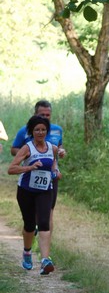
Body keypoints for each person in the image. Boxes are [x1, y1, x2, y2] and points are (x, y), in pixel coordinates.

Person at [8, 115, 58, 275]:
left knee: (44, 222)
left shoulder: (53, 148)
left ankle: (45, 260)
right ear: (32, 131)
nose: (40, 132)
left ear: (47, 131)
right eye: (37, 129)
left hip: (45, 191)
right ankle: (27, 252)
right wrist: (29, 168)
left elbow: (54, 163)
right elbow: (11, 169)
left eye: (43, 129)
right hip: (26, 191)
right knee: (29, 225)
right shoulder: (27, 148)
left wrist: (56, 171)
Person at [11, 100, 65, 232]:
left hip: (50, 174)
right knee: (32, 214)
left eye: (48, 115)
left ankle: (46, 248)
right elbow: (13, 150)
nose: (45, 117)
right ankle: (31, 233)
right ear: (35, 114)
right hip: (31, 174)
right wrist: (28, 155)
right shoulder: (25, 131)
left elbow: (59, 147)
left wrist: (62, 151)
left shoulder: (57, 130)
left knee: (48, 211)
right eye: (42, 115)